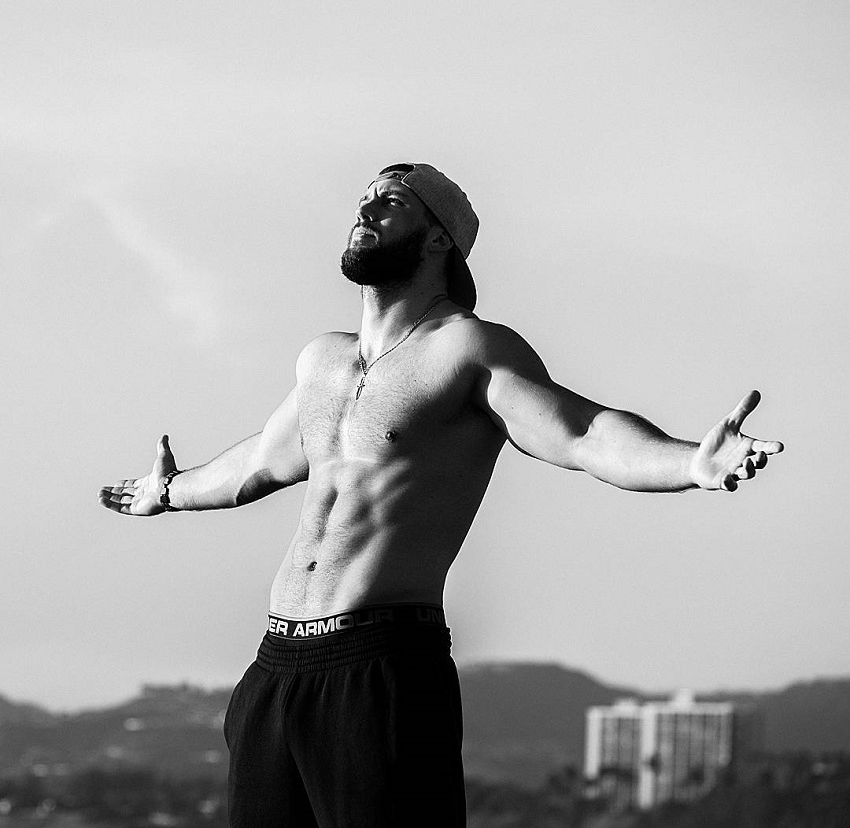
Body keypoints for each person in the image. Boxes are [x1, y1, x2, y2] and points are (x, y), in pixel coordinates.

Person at [98, 162, 784, 827]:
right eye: (362, 199)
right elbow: (261, 463)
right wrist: (170, 492)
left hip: (381, 672)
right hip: (275, 672)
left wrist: (689, 463)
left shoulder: (468, 350)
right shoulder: (322, 362)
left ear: (437, 239)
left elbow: (582, 434)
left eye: (389, 202)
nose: (364, 210)